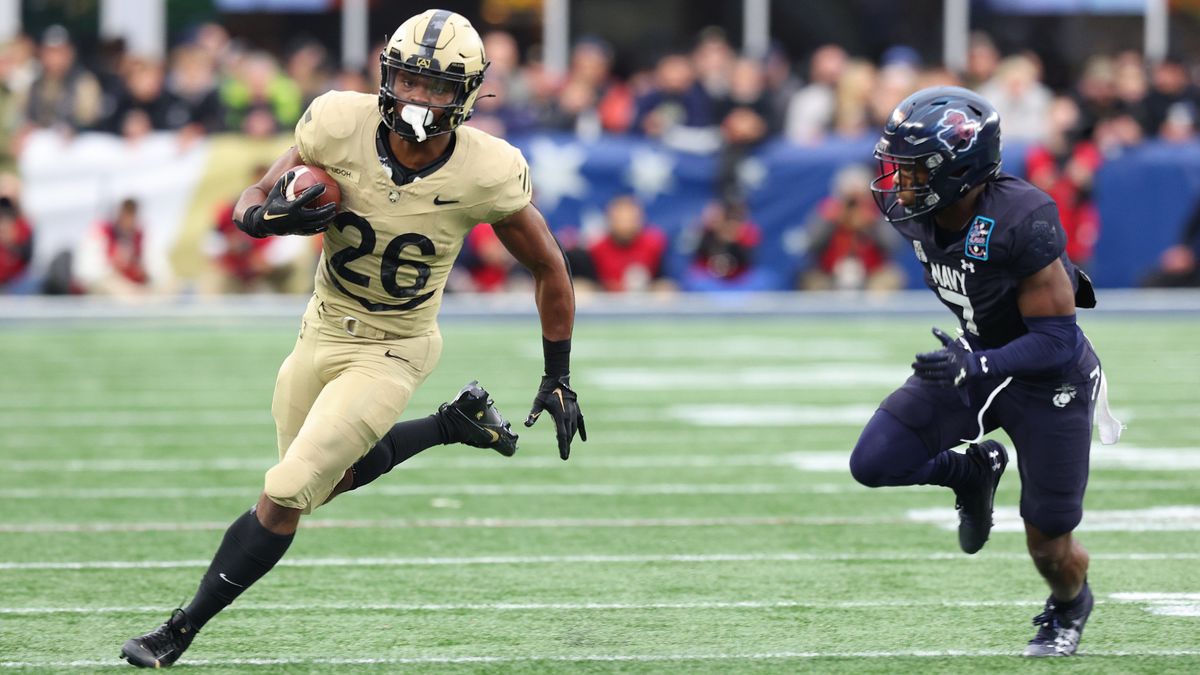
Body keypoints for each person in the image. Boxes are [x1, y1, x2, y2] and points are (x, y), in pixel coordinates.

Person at [120, 10, 585, 668]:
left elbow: (548, 266)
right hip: (319, 328)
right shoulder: (338, 121)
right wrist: (263, 216)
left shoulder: (487, 168)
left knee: (286, 490)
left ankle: (179, 629)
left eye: (436, 87)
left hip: (393, 346)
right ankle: (455, 423)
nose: (418, 98)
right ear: (386, 75)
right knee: (320, 484)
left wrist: (557, 373)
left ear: (468, 95)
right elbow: (255, 193)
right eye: (408, 80)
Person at [850, 86, 1122, 657]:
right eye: (896, 167)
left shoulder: (1022, 218)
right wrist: (975, 361)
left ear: (960, 170)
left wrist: (980, 362)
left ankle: (1070, 605)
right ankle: (970, 473)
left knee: (1049, 543)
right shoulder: (911, 210)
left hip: (1052, 379)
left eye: (914, 169)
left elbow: (1055, 339)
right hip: (976, 357)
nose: (897, 183)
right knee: (874, 461)